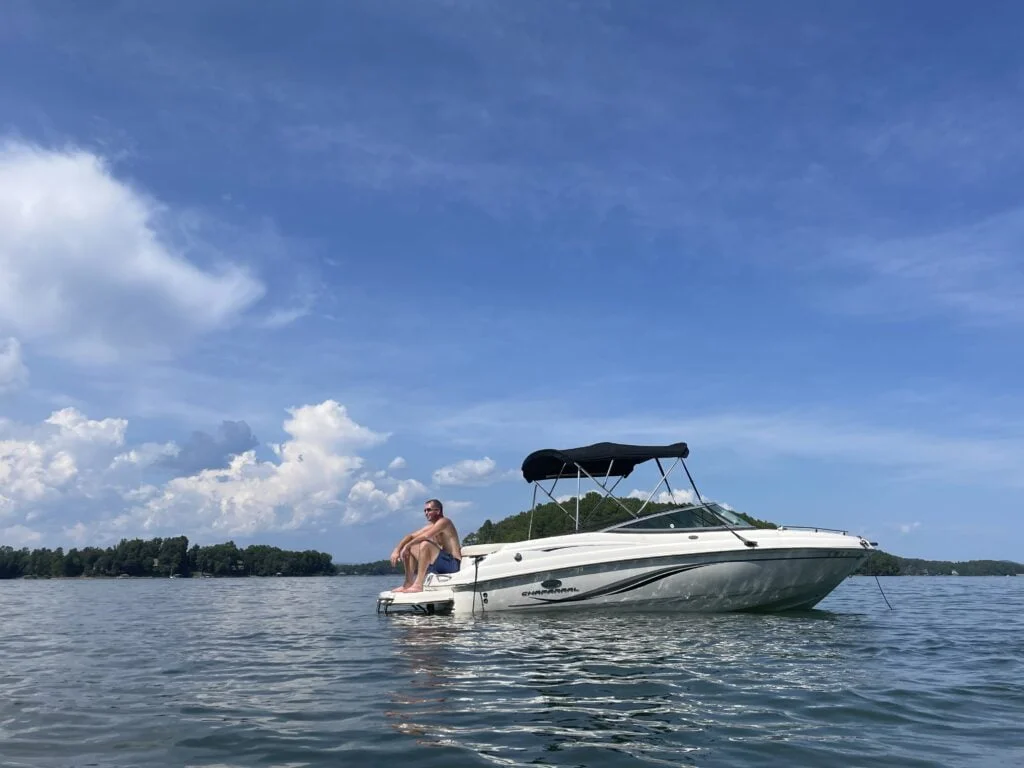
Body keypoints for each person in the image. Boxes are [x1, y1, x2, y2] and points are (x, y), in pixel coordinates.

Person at [389, 498, 462, 593]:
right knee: (411, 547)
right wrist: (397, 550)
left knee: (425, 544)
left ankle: (418, 585)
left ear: (438, 511)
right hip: (440, 564)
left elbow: (426, 536)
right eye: (425, 510)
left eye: (429, 510)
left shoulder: (445, 522)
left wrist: (407, 546)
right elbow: (410, 536)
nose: (426, 513)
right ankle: (408, 584)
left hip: (452, 564)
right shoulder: (432, 526)